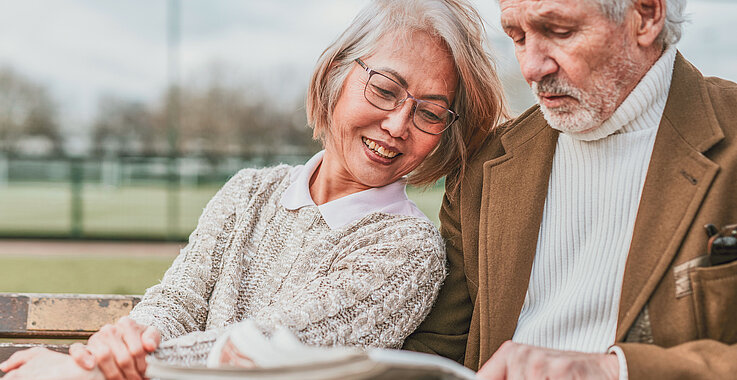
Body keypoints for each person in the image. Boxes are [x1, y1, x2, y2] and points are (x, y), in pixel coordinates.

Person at [0, 1, 508, 379]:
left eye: (430, 112)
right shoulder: (249, 191)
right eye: (385, 89)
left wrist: (82, 372)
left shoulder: (409, 250)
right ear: (335, 74)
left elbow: (272, 356)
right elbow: (176, 302)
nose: (398, 124)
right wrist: (124, 340)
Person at [403, 0, 737, 378]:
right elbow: (435, 352)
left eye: (560, 31)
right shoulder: (480, 169)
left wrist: (614, 371)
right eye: (517, 37)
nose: (531, 67)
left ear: (645, 16)